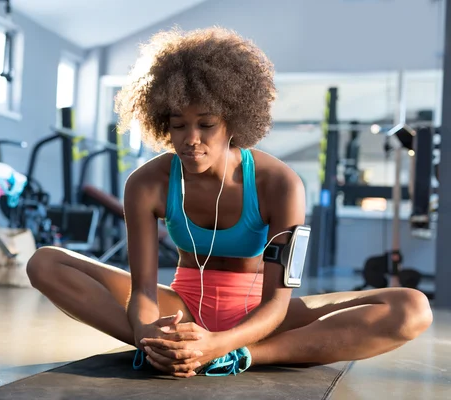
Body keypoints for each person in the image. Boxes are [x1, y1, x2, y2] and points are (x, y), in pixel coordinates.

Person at [26, 27, 433, 378]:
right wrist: (148, 335)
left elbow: (276, 304)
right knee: (44, 261)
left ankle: (241, 359)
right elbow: (144, 292)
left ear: (234, 122)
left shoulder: (280, 184)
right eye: (178, 125)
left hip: (259, 318)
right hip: (179, 309)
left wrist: (223, 345)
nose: (191, 139)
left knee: (411, 307)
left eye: (206, 124)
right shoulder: (146, 183)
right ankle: (165, 352)